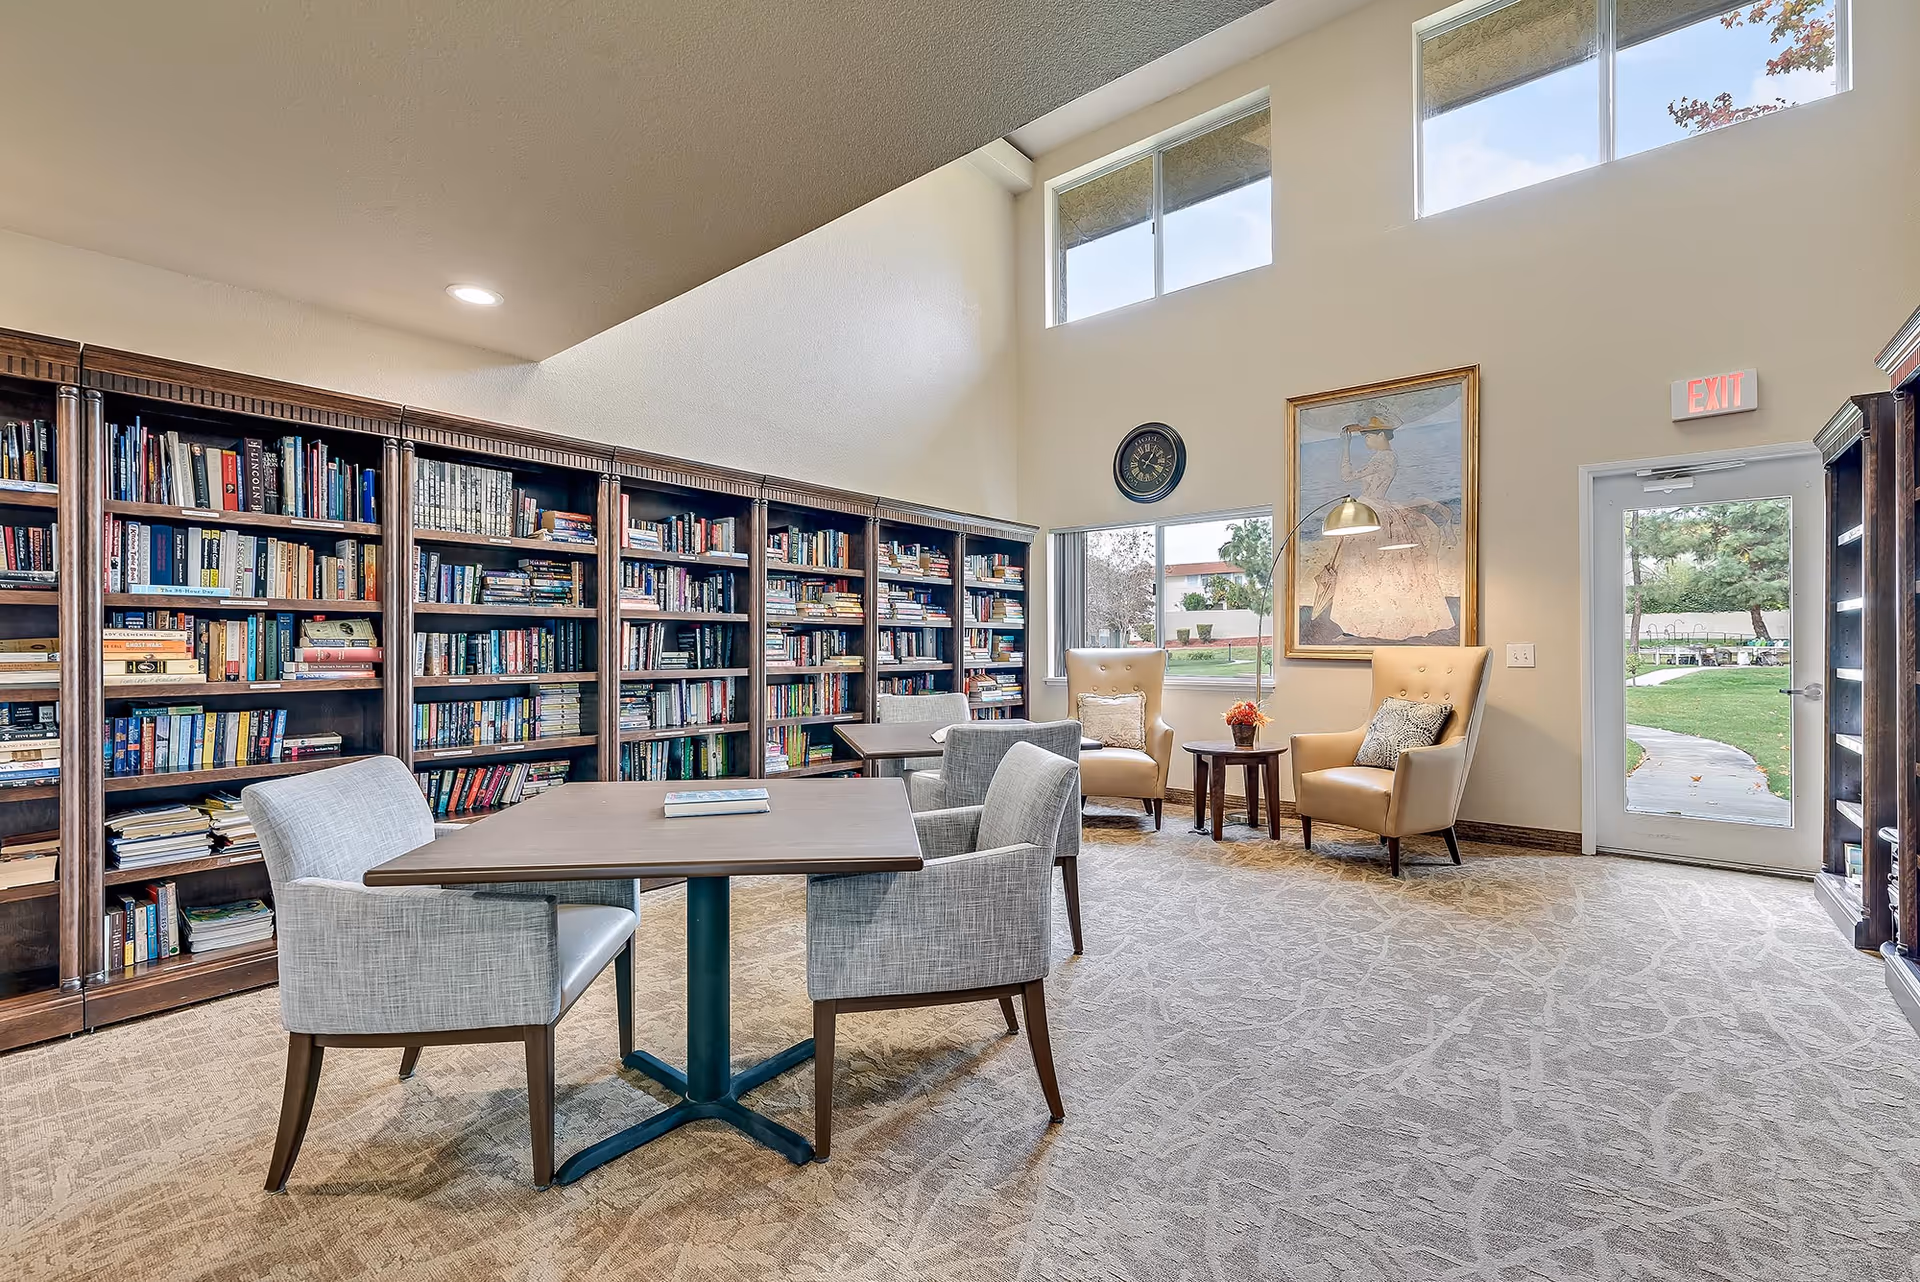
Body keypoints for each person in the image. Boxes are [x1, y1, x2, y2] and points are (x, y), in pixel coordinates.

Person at [1316, 416, 1458, 642]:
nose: (1368, 441)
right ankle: (1359, 625)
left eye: (1370, 436)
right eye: (1366, 437)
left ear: (1382, 435)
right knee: (1363, 570)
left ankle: (1375, 626)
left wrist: (1346, 446)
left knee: (1375, 569)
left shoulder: (1385, 458)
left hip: (1374, 508)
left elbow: (1347, 476)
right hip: (1372, 507)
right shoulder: (1383, 458)